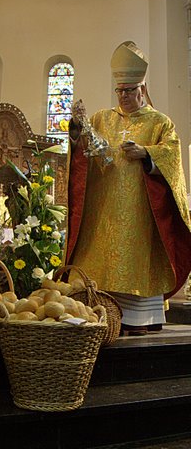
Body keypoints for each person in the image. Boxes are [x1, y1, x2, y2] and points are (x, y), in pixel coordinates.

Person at [65, 41, 191, 336]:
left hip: (138, 210)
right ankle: (98, 310)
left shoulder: (160, 122)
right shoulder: (101, 118)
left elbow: (172, 156)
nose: (123, 97)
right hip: (103, 207)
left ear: (142, 90)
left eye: (129, 91)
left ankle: (138, 318)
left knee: (135, 260)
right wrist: (75, 129)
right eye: (119, 91)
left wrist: (147, 154)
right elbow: (83, 152)